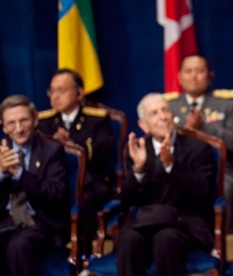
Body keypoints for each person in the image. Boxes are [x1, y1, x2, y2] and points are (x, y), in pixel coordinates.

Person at [116, 93, 215, 275]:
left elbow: (202, 191)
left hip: (184, 221)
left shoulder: (198, 147)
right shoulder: (137, 150)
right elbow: (125, 200)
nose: (162, 116)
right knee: (129, 239)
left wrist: (172, 164)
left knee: (165, 238)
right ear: (143, 125)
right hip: (145, 221)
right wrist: (138, 169)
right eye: (154, 113)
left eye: (165, 110)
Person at [37, 68, 114, 256]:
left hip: (91, 180)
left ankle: (83, 254)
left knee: (82, 197)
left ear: (79, 93)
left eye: (61, 90)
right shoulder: (43, 121)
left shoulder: (97, 118)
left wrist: (72, 144)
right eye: (52, 91)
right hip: (55, 178)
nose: (55, 96)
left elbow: (104, 152)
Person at [165, 53, 233, 228]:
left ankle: (219, 246)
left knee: (222, 188)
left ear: (210, 75)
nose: (193, 76)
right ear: (179, 76)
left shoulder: (227, 103)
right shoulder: (167, 106)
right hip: (179, 168)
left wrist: (205, 127)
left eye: (199, 71)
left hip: (220, 170)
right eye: (188, 71)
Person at [0, 95, 69, 275]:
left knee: (18, 246)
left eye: (23, 121)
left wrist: (19, 173)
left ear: (35, 119)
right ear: (3, 126)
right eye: (11, 123)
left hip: (41, 221)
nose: (19, 129)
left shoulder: (51, 150)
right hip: (6, 220)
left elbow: (55, 194)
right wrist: (1, 173)